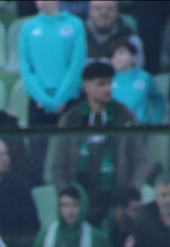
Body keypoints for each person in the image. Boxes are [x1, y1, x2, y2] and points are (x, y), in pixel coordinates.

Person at [49, 61, 142, 223]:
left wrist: (131, 194)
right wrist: (68, 196)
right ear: (87, 88)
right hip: (79, 201)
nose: (108, 89)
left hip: (117, 202)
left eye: (109, 83)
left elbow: (139, 159)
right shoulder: (71, 119)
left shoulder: (125, 117)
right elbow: (57, 164)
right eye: (101, 84)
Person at [19, 0, 87, 132]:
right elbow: (26, 68)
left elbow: (76, 65)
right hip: (38, 102)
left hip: (69, 100)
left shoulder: (75, 25)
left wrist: (60, 98)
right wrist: (45, 100)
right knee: (39, 148)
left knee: (69, 146)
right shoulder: (28, 28)